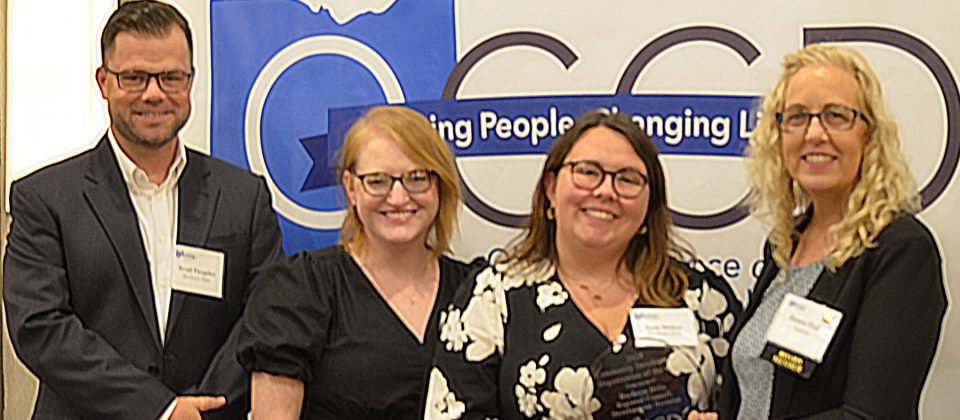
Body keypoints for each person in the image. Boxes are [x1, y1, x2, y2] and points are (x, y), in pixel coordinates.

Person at [2, 1, 284, 419]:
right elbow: (40, 328)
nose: (154, 93)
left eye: (171, 77)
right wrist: (161, 409)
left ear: (191, 80)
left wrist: (200, 409)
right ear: (104, 81)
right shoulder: (43, 198)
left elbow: (267, 315)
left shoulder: (245, 197)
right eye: (134, 77)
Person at [424, 110, 739, 419]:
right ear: (551, 188)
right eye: (588, 171)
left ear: (649, 204)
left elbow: (753, 402)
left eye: (627, 179)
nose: (605, 191)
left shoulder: (702, 297)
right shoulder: (493, 297)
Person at [718, 44, 947, 419]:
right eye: (797, 117)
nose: (814, 133)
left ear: (868, 134)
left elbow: (872, 414)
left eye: (835, 116)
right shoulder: (783, 245)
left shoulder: (900, 250)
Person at [237, 105, 476, 419]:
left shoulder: (475, 293)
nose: (399, 197)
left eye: (417, 178)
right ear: (351, 187)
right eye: (377, 181)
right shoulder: (301, 291)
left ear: (440, 184)